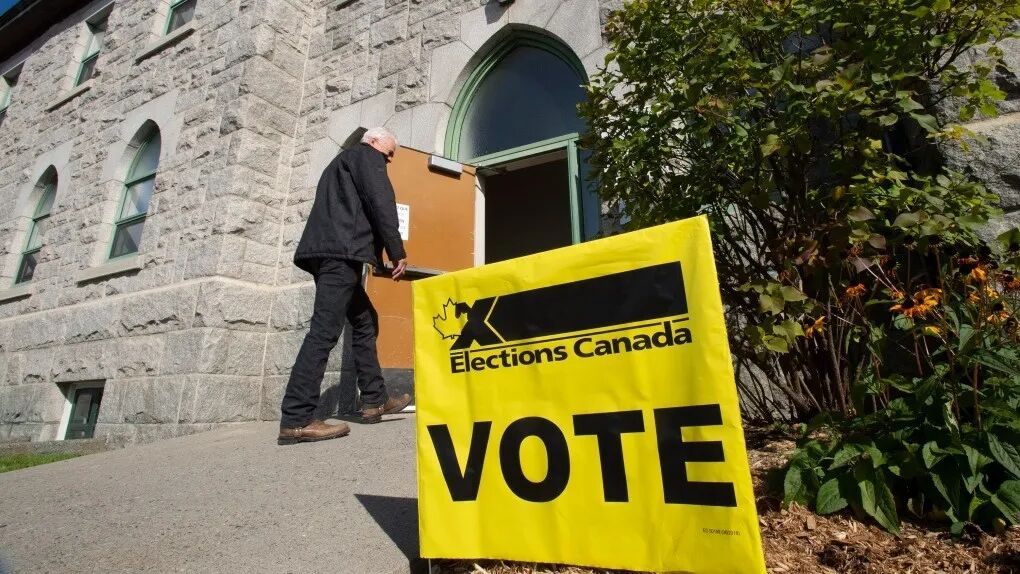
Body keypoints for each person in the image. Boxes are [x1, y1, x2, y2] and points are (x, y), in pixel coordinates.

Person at [278, 127, 411, 445]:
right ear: (374, 142)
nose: (390, 160)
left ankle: (375, 400)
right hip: (339, 257)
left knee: (365, 321)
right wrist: (397, 251)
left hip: (331, 254)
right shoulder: (367, 156)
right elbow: (381, 201)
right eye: (389, 152)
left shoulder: (341, 163)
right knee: (323, 332)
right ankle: (297, 419)